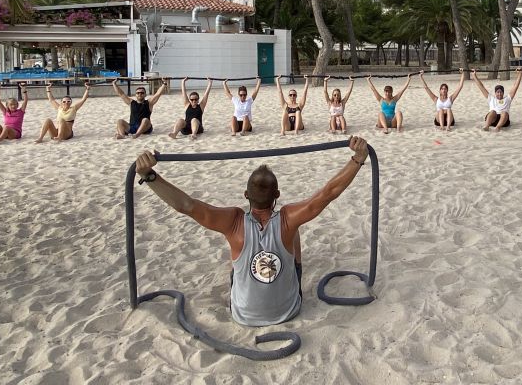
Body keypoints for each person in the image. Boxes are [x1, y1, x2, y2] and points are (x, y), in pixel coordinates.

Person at [132, 136, 370, 327]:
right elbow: (328, 192)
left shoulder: (233, 221)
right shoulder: (287, 218)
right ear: (277, 195)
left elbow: (187, 205)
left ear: (246, 196)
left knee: (238, 251)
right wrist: (358, 159)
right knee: (294, 230)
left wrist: (149, 176)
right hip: (288, 312)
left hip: (243, 316)